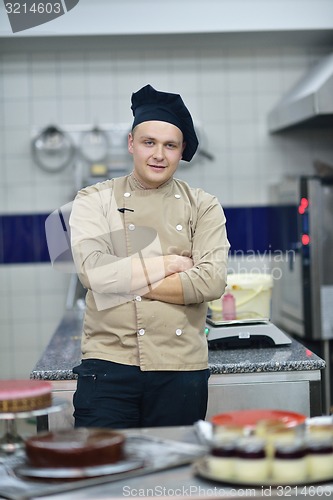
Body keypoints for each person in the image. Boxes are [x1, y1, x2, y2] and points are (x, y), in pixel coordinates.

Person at [69, 84, 230, 429]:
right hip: (107, 366)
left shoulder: (203, 205)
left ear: (181, 149)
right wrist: (171, 265)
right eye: (149, 143)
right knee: (105, 474)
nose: (159, 154)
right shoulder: (92, 199)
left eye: (170, 145)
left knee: (174, 481)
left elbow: (211, 280)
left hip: (181, 369)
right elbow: (93, 274)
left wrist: (123, 281)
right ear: (131, 144)